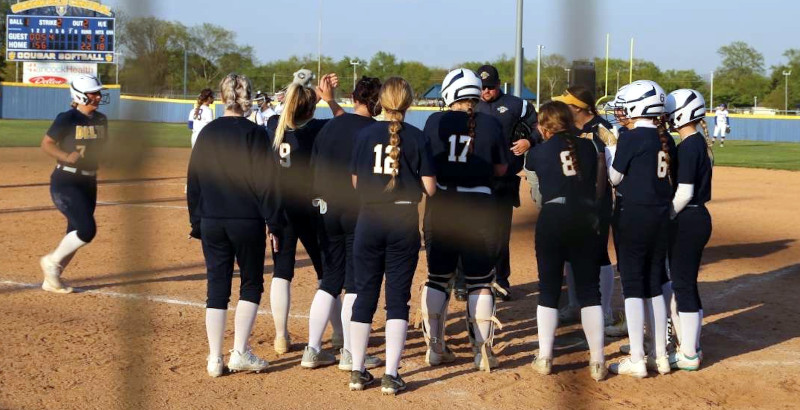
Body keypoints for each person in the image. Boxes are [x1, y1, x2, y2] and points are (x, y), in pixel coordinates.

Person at [187, 73, 283, 377]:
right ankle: (239, 351)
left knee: (217, 287)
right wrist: (274, 221)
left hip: (212, 219)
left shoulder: (207, 132)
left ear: (223, 95)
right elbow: (266, 182)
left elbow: (194, 181)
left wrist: (196, 220)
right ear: (249, 98)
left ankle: (214, 358)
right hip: (246, 219)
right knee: (251, 283)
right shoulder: (255, 134)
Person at [347, 77, 436, 395]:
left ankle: (357, 371)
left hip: (369, 218)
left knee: (364, 295)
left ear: (380, 102)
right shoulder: (417, 136)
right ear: (409, 103)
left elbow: (356, 183)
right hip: (402, 220)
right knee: (397, 299)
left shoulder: (365, 133)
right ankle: (390, 374)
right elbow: (430, 188)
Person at [420, 68, 508, 372]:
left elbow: (426, 165)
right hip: (479, 208)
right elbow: (500, 170)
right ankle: (482, 351)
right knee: (480, 281)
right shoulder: (492, 123)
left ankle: (435, 348)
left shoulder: (435, 121)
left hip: (443, 205)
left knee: (438, 278)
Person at [300, 76, 384, 371]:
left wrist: (331, 101)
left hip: (324, 209)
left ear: (354, 96)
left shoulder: (330, 125)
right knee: (354, 282)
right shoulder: (376, 131)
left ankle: (312, 349)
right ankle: (350, 353)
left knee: (330, 280)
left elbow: (313, 166)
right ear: (380, 102)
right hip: (356, 211)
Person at [527, 101, 607, 381]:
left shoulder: (536, 153)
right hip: (585, 218)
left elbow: (536, 191)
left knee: (548, 289)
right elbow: (600, 186)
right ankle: (598, 361)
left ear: (545, 126)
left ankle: (545, 356)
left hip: (553, 217)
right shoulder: (588, 147)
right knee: (589, 291)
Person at [266, 72, 345, 356]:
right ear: (311, 108)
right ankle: (337, 334)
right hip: (312, 208)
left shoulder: (274, 124)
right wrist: (330, 100)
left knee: (281, 272)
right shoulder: (317, 129)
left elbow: (287, 110)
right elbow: (346, 122)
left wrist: (299, 90)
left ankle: (280, 337)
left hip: (283, 209)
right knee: (328, 271)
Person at [605, 80, 676, 378]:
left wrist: (611, 149)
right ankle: (659, 354)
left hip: (633, 214)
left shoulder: (632, 139)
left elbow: (615, 178)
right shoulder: (666, 139)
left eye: (624, 107)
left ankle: (637, 356)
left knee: (633, 284)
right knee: (656, 282)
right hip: (661, 215)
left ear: (638, 107)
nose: (620, 112)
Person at [551, 87, 617, 327]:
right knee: (570, 253)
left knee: (599, 255)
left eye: (567, 104)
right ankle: (574, 304)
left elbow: (613, 171)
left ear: (578, 107)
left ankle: (606, 311)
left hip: (597, 201)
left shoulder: (602, 129)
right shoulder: (568, 130)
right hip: (571, 200)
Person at [38, 74, 109, 294]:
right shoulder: (67, 118)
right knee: (87, 230)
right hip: (67, 180)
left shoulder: (101, 120)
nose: (98, 96)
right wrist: (64, 155)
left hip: (89, 181)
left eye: (98, 92)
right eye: (93, 93)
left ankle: (53, 278)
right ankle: (50, 262)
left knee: (76, 231)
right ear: (80, 96)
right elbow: (47, 144)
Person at [474, 64, 539, 301]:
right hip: (476, 178)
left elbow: (540, 126)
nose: (486, 91)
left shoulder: (516, 104)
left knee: (500, 234)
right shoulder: (472, 103)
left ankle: (501, 280)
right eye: (482, 87)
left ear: (499, 84)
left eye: (490, 87)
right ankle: (466, 282)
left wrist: (529, 142)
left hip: (504, 180)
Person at [665, 89, 713, 371]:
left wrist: (666, 216)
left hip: (688, 218)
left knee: (682, 284)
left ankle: (690, 353)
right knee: (686, 283)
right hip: (696, 218)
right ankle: (690, 344)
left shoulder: (690, 146)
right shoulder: (695, 143)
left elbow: (683, 193)